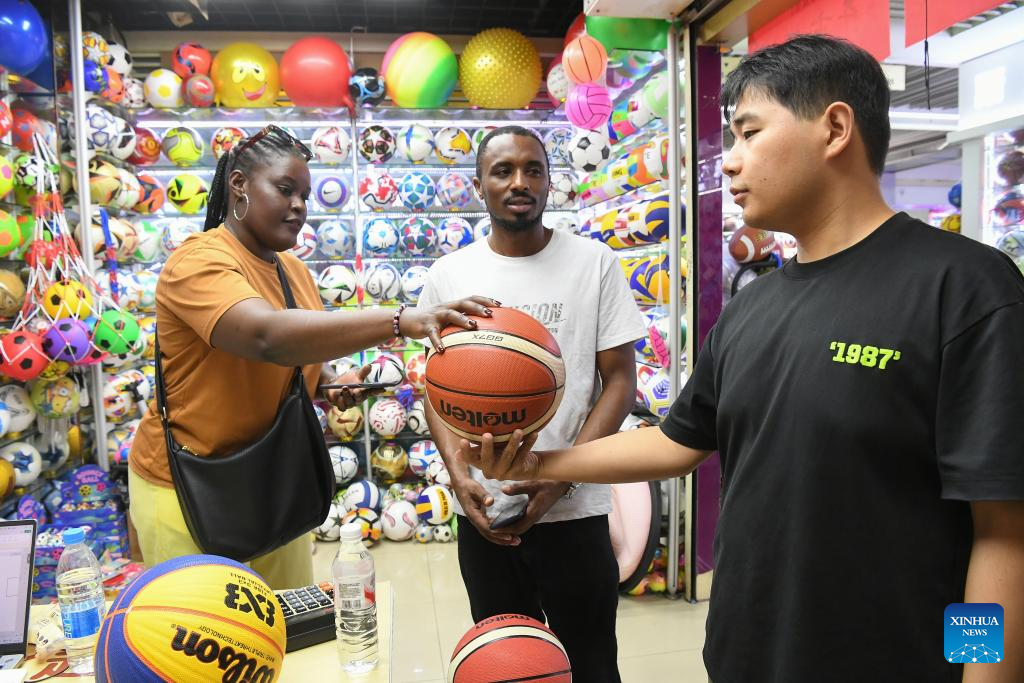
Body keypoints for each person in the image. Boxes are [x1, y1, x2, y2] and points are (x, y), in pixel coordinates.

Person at [460, 36, 1024, 683]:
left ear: (835, 127)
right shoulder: (753, 306)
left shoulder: (965, 288)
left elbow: (1002, 532)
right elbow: (675, 443)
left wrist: (982, 676)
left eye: (747, 133)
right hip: (745, 655)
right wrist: (533, 463)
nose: (727, 162)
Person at [128, 125, 495, 589]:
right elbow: (265, 336)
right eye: (285, 189)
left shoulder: (294, 271)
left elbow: (296, 360)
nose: (300, 205)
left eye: (304, 194)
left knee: (279, 631)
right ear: (239, 185)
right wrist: (403, 319)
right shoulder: (198, 261)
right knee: (199, 646)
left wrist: (331, 381)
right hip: (188, 485)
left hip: (272, 479)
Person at [419, 125, 645, 682]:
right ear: (479, 186)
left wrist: (561, 476)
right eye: (503, 170)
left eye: (533, 169)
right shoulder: (450, 275)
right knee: (507, 669)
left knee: (592, 665)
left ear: (549, 183)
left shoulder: (594, 263)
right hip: (486, 511)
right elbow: (435, 386)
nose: (519, 182)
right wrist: (457, 474)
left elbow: (619, 381)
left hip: (576, 511)